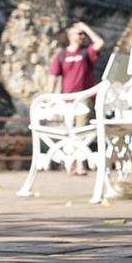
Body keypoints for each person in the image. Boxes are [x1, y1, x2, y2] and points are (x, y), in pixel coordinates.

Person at [49, 21, 105, 174]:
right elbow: (53, 76)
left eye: (83, 34)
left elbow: (99, 43)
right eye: (78, 33)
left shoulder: (86, 53)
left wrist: (86, 27)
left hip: (84, 98)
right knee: (70, 132)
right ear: (69, 36)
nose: (81, 36)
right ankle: (73, 163)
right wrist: (50, 98)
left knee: (82, 130)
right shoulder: (61, 55)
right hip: (67, 100)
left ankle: (81, 164)